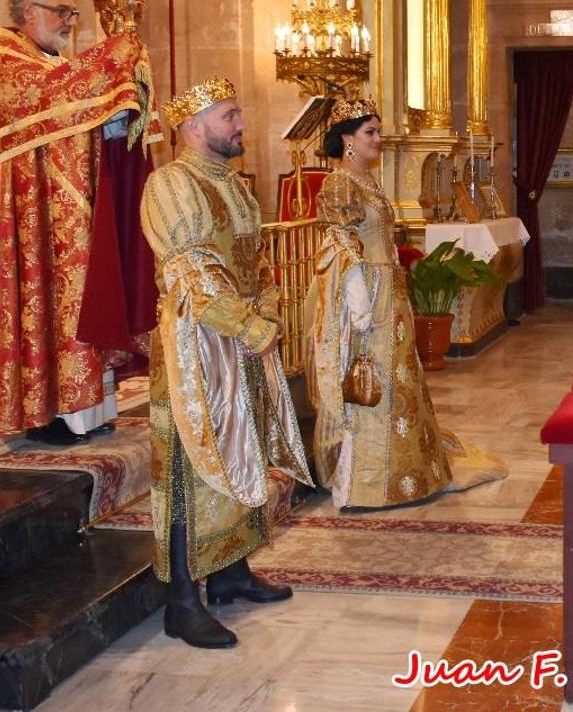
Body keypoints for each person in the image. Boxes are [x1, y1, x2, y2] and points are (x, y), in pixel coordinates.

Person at [139, 78, 313, 649]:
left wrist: (264, 306)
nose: (241, 124)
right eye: (230, 115)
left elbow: (251, 259)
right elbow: (190, 268)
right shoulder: (169, 184)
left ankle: (232, 571)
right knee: (196, 464)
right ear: (194, 126)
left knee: (249, 448)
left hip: (240, 343)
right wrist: (246, 323)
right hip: (197, 346)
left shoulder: (233, 185)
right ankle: (182, 601)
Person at [0, 0, 162, 444]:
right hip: (43, 215)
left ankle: (91, 408)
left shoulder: (52, 63)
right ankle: (51, 411)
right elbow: (62, 94)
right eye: (61, 12)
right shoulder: (8, 65)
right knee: (58, 301)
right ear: (28, 13)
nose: (68, 22)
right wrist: (115, 57)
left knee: (87, 296)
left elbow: (79, 108)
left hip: (77, 208)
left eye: (71, 13)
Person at [309, 98, 506, 510]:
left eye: (378, 131)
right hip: (365, 293)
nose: (379, 139)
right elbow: (340, 241)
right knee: (373, 377)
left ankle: (403, 470)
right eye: (370, 133)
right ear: (347, 138)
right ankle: (368, 480)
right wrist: (359, 298)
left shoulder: (366, 179)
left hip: (388, 292)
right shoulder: (340, 182)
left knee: (398, 376)